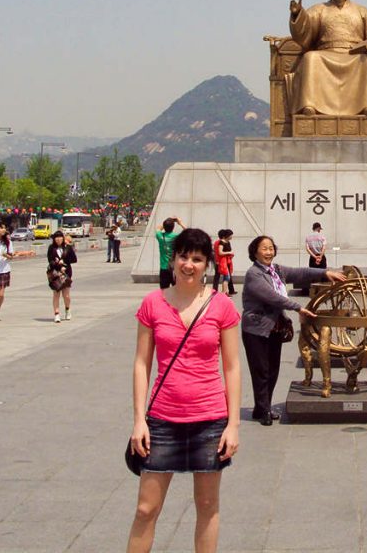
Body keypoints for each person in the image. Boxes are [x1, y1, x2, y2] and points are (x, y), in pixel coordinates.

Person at [127, 228, 241, 553]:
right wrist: (139, 419)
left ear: (208, 264)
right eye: (184, 257)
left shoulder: (221, 307)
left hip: (209, 420)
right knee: (146, 509)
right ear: (173, 259)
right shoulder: (152, 303)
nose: (189, 264)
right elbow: (141, 364)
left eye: (197, 259)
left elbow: (232, 368)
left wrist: (233, 425)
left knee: (207, 506)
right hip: (162, 420)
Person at [241, 235, 346, 426]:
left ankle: (262, 407)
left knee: (272, 370)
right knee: (261, 370)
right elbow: (272, 297)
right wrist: (297, 307)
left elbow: (301, 273)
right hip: (256, 329)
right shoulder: (253, 274)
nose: (268, 252)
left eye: (271, 248)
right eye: (264, 248)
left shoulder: (276, 270)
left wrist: (325, 272)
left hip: (274, 328)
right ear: (255, 252)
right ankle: (263, 409)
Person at [47, 230, 78, 323]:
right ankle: (56, 314)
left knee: (66, 295)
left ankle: (67, 309)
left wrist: (64, 263)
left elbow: (74, 259)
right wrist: (58, 265)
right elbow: (50, 260)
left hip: (66, 272)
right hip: (55, 273)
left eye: (60, 237)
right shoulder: (51, 248)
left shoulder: (68, 247)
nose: (58, 239)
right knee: (56, 294)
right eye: (56, 237)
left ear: (63, 238)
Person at [155, 217, 185, 289]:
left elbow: (158, 228)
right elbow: (188, 233)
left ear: (164, 227)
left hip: (164, 268)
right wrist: (180, 223)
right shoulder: (176, 237)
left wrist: (169, 219)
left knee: (164, 291)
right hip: (174, 268)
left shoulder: (160, 236)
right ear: (173, 227)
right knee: (177, 291)